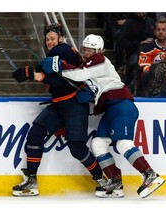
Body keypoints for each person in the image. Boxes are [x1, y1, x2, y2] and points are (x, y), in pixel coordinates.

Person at [40, 34, 165, 198]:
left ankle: (150, 174)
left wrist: (59, 66)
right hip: (110, 108)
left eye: (90, 50)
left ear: (99, 50)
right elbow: (91, 83)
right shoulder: (91, 64)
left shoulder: (99, 60)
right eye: (85, 49)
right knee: (98, 144)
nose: (87, 53)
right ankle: (115, 181)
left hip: (121, 105)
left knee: (123, 143)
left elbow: (79, 74)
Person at [11, 24, 107, 197]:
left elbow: (52, 79)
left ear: (61, 38)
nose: (49, 42)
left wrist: (28, 73)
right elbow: (50, 75)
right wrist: (30, 72)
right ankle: (32, 180)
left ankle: (102, 180)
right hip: (59, 104)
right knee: (36, 134)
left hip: (74, 105)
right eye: (47, 39)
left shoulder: (61, 50)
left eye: (52, 38)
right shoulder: (63, 51)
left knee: (76, 147)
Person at [118, 12, 155, 93]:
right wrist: (139, 43)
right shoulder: (129, 23)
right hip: (134, 52)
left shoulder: (151, 22)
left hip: (152, 52)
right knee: (135, 62)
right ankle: (133, 87)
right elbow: (122, 42)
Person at [137, 17, 166, 96]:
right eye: (158, 30)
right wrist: (162, 74)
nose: (161, 32)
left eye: (164, 30)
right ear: (155, 32)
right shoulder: (147, 48)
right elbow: (144, 67)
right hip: (153, 79)